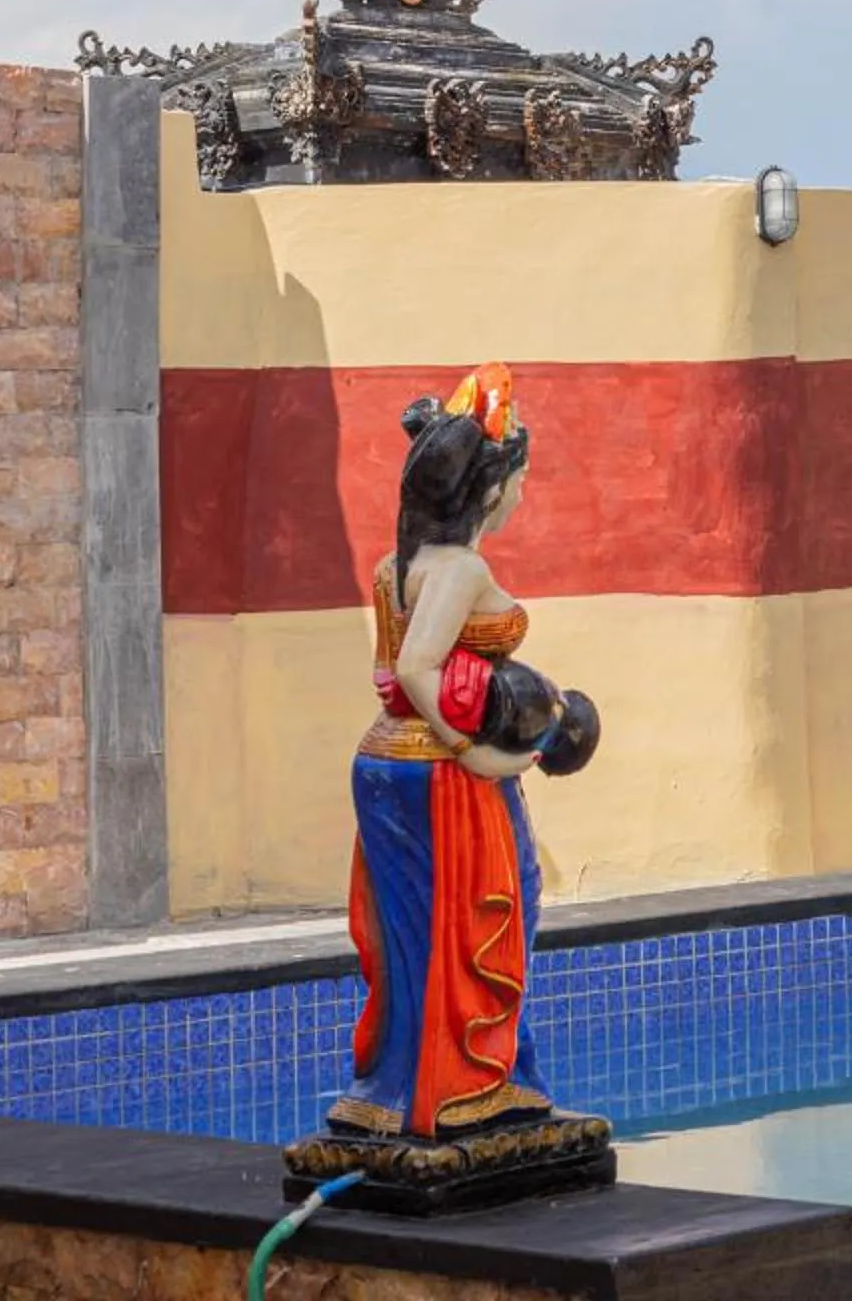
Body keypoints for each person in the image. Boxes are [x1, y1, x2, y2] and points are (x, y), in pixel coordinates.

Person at [324, 361, 590, 1141]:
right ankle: (469, 1084)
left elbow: (385, 674)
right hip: (440, 772)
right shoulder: (460, 569)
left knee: (413, 931)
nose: (522, 494)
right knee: (492, 916)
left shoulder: (392, 568)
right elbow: (413, 668)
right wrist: (476, 750)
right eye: (520, 480)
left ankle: (398, 1088)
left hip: (386, 760)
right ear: (489, 487)